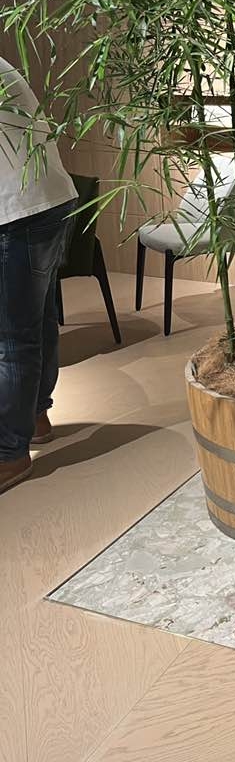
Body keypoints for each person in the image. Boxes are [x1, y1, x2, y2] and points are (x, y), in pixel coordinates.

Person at [0, 56, 77, 494]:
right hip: (48, 198)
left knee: (11, 338)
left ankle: (9, 454)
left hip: (18, 209)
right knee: (38, 320)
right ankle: (36, 417)